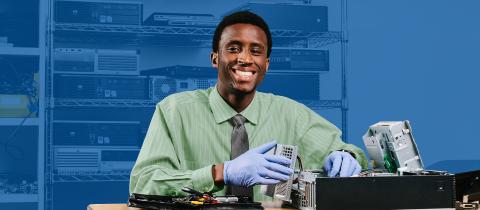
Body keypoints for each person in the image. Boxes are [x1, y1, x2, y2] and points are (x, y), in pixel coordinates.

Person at [130, 11, 367, 201]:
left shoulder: (291, 114)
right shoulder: (174, 111)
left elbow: (350, 153)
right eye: (233, 48)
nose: (245, 58)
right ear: (215, 58)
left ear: (266, 64)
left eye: (256, 51)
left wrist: (344, 156)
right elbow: (144, 183)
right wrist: (222, 172)